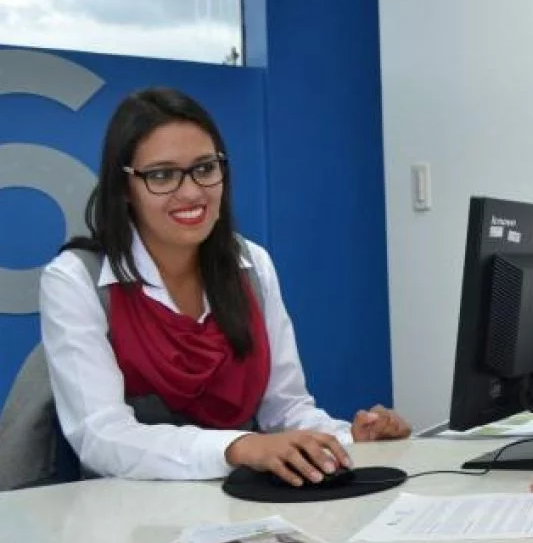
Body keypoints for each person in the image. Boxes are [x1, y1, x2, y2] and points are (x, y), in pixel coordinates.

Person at [40, 87, 411, 486]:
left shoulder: (252, 265)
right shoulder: (75, 279)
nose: (191, 192)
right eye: (162, 175)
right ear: (123, 187)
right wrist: (237, 447)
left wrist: (347, 439)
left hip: (242, 504)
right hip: (128, 509)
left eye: (205, 168)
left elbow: (285, 410)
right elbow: (101, 435)